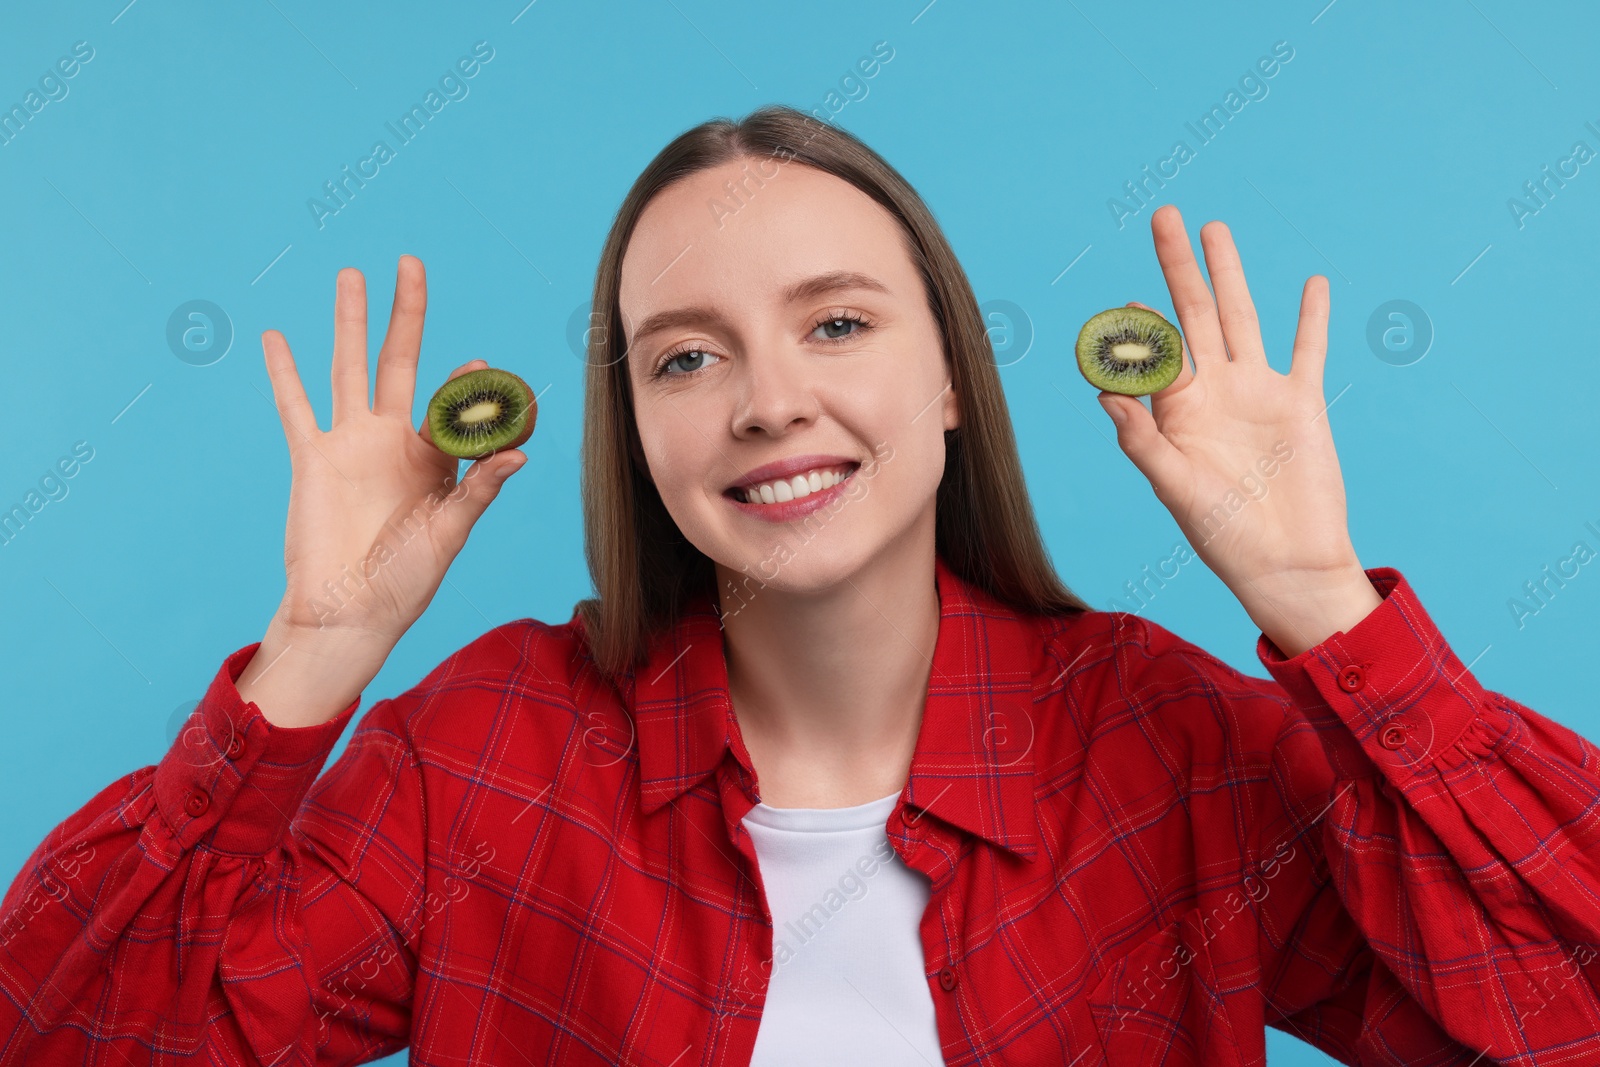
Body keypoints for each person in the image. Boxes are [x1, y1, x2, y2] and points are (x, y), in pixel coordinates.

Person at [2, 104, 1597, 1067]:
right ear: (638, 429)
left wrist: (1330, 611)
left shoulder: (1165, 746)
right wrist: (314, 651)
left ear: (955, 380)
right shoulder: (484, 759)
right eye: (687, 357)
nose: (768, 402)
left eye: (838, 324)